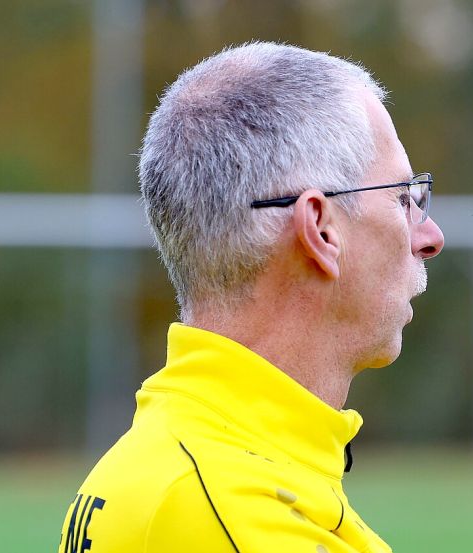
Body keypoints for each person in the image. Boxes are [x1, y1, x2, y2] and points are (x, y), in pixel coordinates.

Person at [58, 42, 444, 553]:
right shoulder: (234, 515)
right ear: (321, 230)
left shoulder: (177, 460)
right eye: (402, 198)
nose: (430, 236)